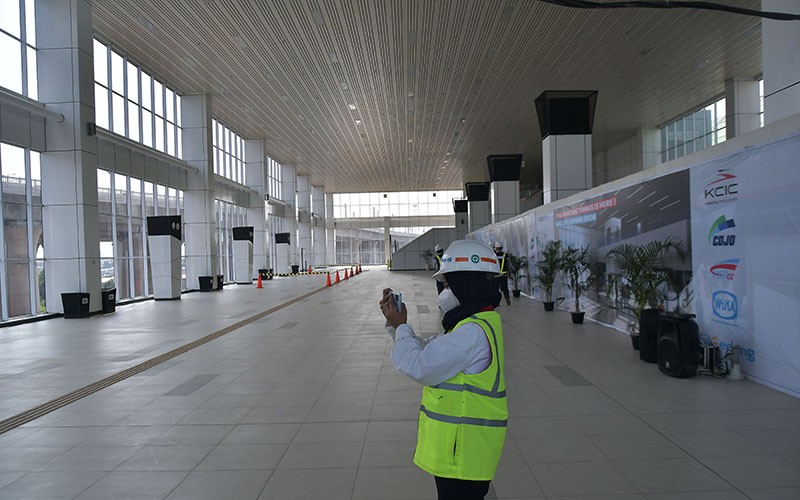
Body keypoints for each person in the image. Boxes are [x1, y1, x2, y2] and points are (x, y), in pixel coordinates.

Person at [379, 239, 507, 500]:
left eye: (448, 284)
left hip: (463, 452)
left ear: (466, 284)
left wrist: (401, 327)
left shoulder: (471, 332)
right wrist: (397, 326)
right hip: (463, 449)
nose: (444, 290)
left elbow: (420, 366)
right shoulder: (476, 321)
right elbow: (429, 351)